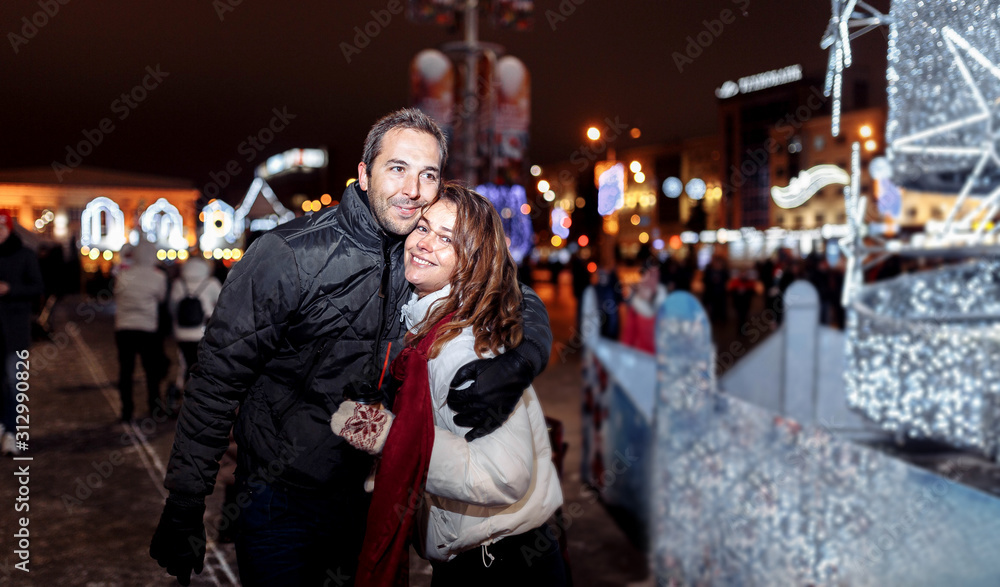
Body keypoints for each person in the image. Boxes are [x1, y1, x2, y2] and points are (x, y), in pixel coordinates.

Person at [150, 108, 553, 586]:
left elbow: (506, 287)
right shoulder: (290, 254)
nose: (413, 189)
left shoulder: (419, 258)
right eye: (397, 168)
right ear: (364, 174)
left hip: (372, 500)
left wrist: (526, 356)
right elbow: (217, 380)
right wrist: (185, 500)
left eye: (428, 174)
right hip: (282, 503)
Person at [331, 184, 566, 586]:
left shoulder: (459, 345)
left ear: (471, 262)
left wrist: (391, 437)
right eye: (423, 228)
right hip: (488, 555)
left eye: (447, 239)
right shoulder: (429, 326)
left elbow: (503, 475)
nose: (424, 244)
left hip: (500, 564)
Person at [0, 214, 44, 456]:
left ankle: (12, 432)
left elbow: (38, 287)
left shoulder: (25, 254)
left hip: (15, 331)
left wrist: (10, 289)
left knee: (15, 384)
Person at [113, 240, 168, 422]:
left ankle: (126, 409)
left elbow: (117, 295)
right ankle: (154, 406)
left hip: (124, 328)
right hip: (147, 328)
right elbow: (161, 298)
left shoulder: (123, 275)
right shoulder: (158, 277)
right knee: (151, 371)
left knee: (126, 371)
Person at [166, 257, 222, 413]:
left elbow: (172, 308)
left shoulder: (179, 284)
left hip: (182, 333)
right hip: (203, 332)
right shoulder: (211, 283)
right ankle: (199, 401)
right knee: (203, 366)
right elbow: (223, 304)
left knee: (184, 364)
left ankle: (178, 395)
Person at [621, 260, 668, 354]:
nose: (652, 279)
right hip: (642, 359)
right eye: (649, 275)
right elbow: (628, 338)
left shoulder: (666, 303)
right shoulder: (636, 306)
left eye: (655, 276)